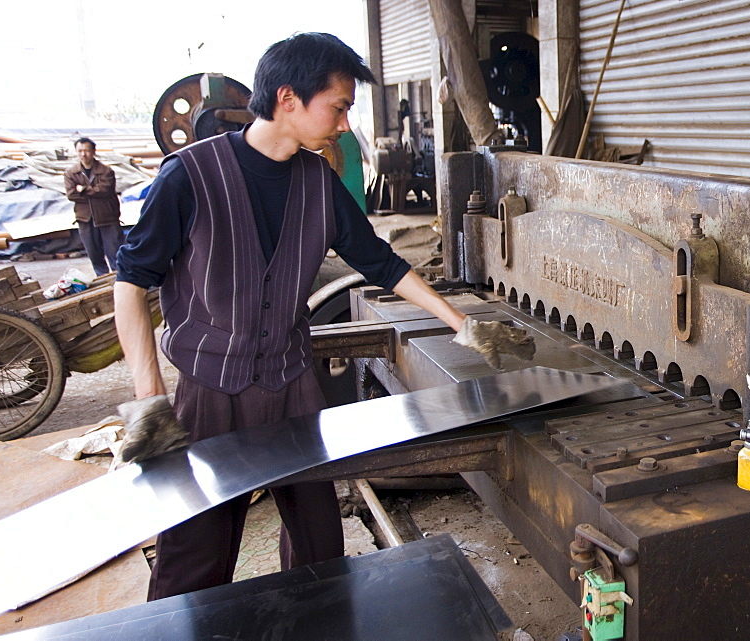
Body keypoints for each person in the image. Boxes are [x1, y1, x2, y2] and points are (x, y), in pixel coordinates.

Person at [113, 32, 533, 602]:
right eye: (337, 107)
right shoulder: (188, 176)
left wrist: (461, 324)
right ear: (289, 98)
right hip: (209, 391)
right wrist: (149, 398)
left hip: (292, 385)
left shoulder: (317, 181)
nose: (342, 124)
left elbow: (380, 262)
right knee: (196, 550)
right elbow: (132, 282)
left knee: (318, 542)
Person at [64, 137, 125, 275]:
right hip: (85, 218)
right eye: (80, 151)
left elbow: (106, 190)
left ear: (93, 151)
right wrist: (93, 191)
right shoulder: (71, 173)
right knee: (94, 254)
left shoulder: (106, 171)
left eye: (86, 150)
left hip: (107, 217)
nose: (83, 154)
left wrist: (84, 190)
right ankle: (102, 281)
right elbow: (71, 194)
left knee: (116, 253)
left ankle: (120, 280)